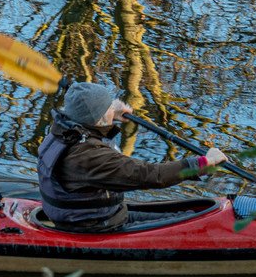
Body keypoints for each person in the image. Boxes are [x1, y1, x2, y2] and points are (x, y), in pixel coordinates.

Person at [36, 81, 229, 231]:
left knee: (187, 214)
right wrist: (203, 163)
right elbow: (152, 175)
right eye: (108, 107)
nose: (113, 107)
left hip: (93, 216)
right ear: (99, 119)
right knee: (191, 223)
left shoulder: (62, 132)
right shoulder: (89, 157)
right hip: (95, 226)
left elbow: (90, 124)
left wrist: (109, 114)